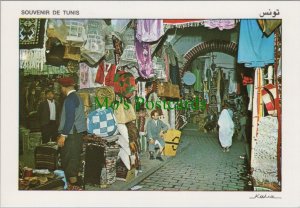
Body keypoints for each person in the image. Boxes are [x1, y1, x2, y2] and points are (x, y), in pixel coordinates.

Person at [56, 77, 87, 190]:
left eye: (60, 87)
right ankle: (77, 185)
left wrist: (63, 136)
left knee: (69, 161)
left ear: (63, 87)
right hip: (76, 133)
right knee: (74, 159)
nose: (60, 89)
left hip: (71, 133)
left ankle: (75, 188)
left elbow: (69, 119)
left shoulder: (69, 99)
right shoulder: (77, 96)